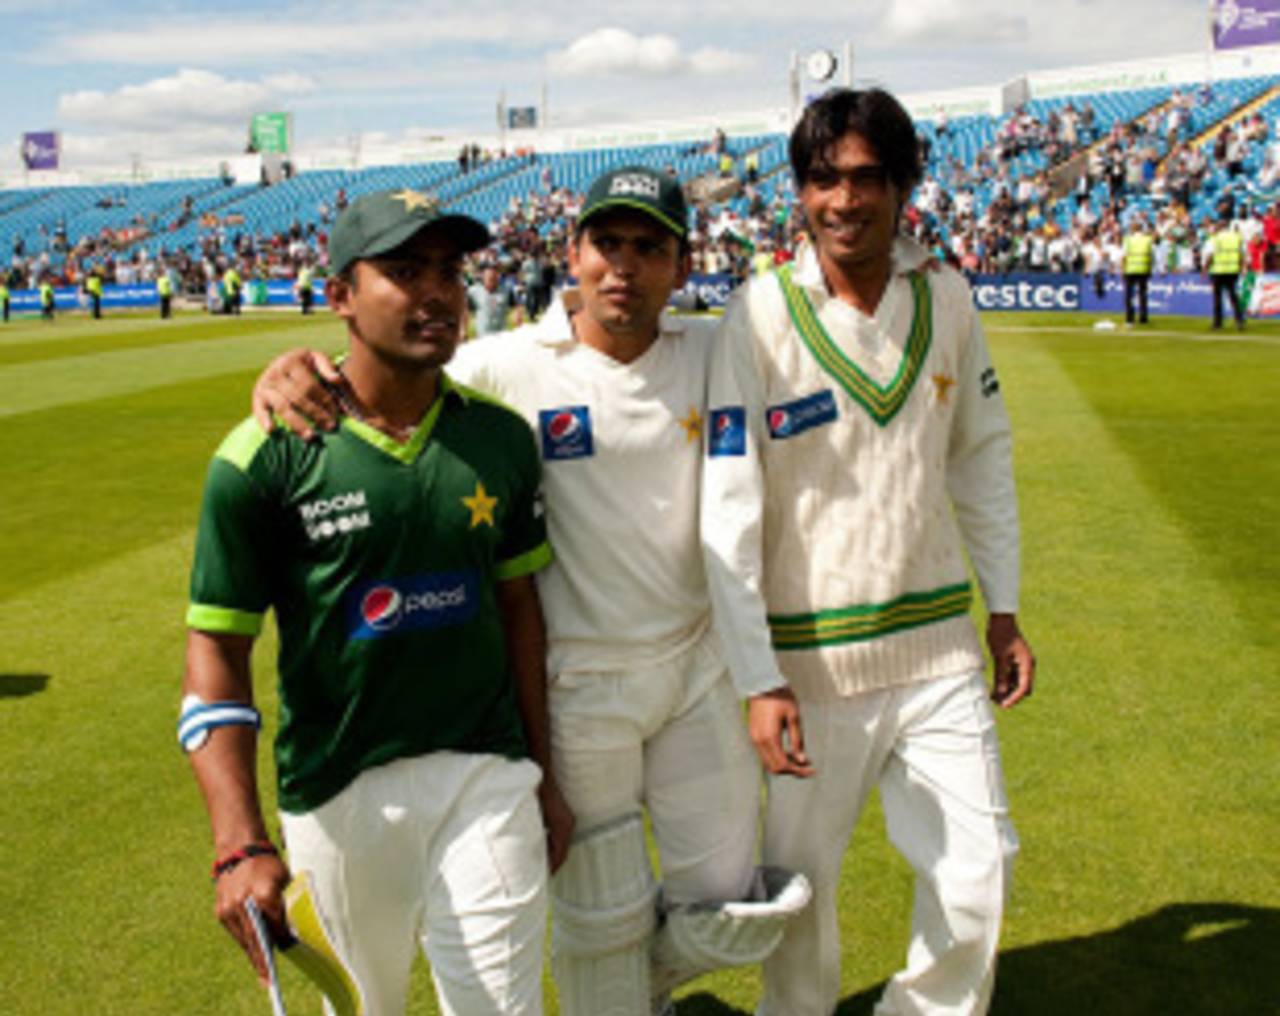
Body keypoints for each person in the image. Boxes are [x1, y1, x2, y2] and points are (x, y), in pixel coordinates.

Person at [251, 166, 808, 1016]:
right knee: (599, 917)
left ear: (681, 264)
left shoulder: (714, 348)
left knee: (732, 899)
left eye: (648, 247)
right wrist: (300, 370)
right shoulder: (504, 363)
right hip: (579, 685)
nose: (624, 266)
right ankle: (619, 986)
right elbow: (394, 374)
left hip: (698, 672)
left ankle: (645, 981)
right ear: (573, 253)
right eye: (607, 244)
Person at [182, 189, 572, 1015]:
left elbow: (520, 616)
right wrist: (236, 843)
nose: (435, 291)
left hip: (486, 773)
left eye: (448, 270)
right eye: (402, 270)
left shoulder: (499, 439)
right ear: (339, 297)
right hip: (338, 791)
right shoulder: (261, 459)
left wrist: (545, 776)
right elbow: (216, 653)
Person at [702, 88, 1035, 1016]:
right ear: (799, 193)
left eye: (864, 179)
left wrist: (1002, 607)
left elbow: (980, 457)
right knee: (801, 897)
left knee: (977, 873)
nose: (842, 201)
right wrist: (756, 676)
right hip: (808, 664)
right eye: (821, 180)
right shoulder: (758, 312)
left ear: (902, 188)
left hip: (937, 652)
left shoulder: (949, 298)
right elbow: (727, 501)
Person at [1205, 216, 1246, 330]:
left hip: (1218, 271)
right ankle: (1239, 320)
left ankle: (1218, 323)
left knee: (1217, 298)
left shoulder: (1215, 238)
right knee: (1234, 296)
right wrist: (1242, 267)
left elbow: (1210, 255)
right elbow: (1241, 254)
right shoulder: (1236, 237)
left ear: (1220, 227)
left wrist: (1205, 268)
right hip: (1232, 270)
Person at [1122, 216, 1154, 325]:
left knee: (1129, 295)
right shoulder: (1147, 239)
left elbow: (1124, 256)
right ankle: (1143, 318)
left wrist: (1123, 270)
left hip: (1130, 269)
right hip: (1143, 269)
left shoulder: (1128, 240)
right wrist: (1149, 269)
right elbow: (1151, 256)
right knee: (1143, 295)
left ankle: (1129, 318)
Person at [467, 263, 513, 336]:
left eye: (495, 278)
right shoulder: (473, 292)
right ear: (483, 277)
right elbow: (465, 311)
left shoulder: (506, 291)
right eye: (490, 278)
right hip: (483, 336)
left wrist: (518, 315)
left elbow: (517, 305)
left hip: (501, 335)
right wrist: (462, 330)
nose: (492, 281)